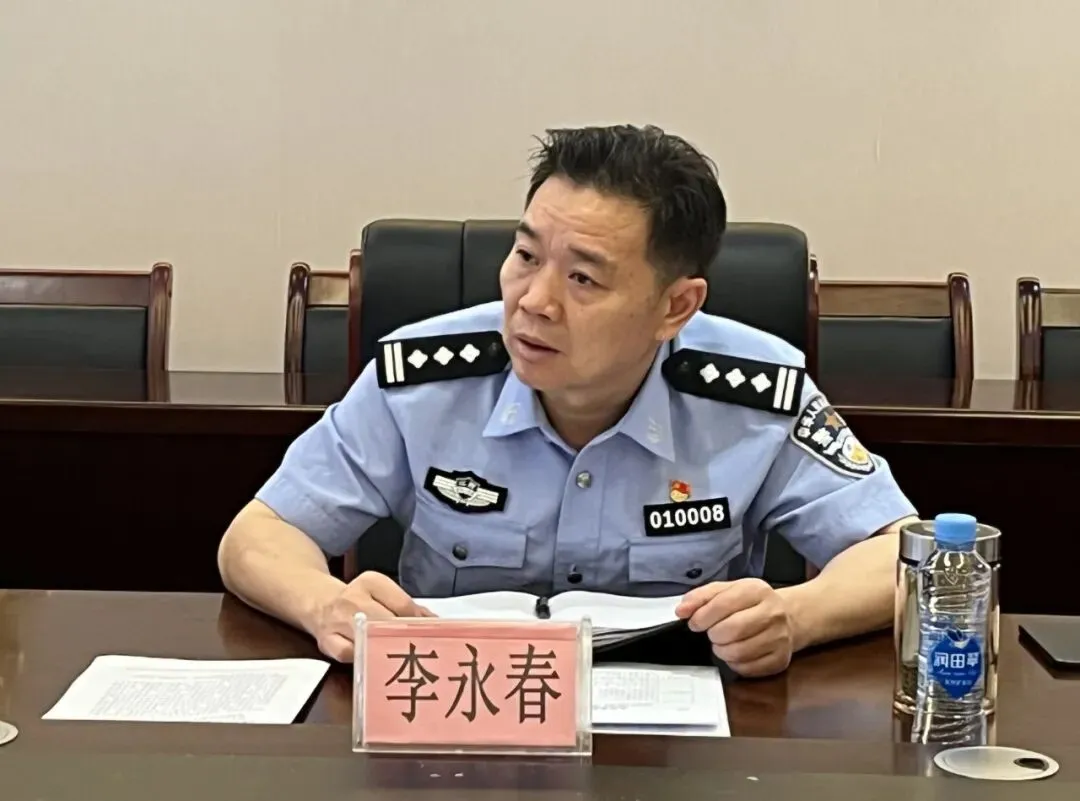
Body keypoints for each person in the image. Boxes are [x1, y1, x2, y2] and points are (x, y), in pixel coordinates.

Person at [218, 124, 917, 678]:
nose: (534, 302)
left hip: (670, 752)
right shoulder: (422, 380)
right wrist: (325, 604)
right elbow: (258, 535)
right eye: (526, 257)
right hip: (455, 723)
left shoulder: (755, 393)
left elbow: (901, 555)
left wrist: (795, 616)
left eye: (583, 279)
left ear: (675, 306)